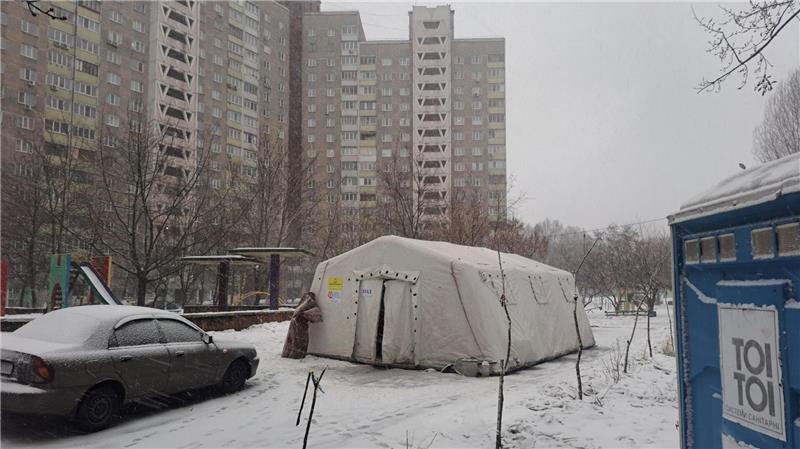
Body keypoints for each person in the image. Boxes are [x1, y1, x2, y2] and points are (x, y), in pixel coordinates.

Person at [281, 292, 323, 358]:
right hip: (300, 325)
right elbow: (317, 317)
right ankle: (298, 354)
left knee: (294, 340)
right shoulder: (310, 303)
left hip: (296, 324)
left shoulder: (303, 304)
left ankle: (292, 353)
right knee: (300, 341)